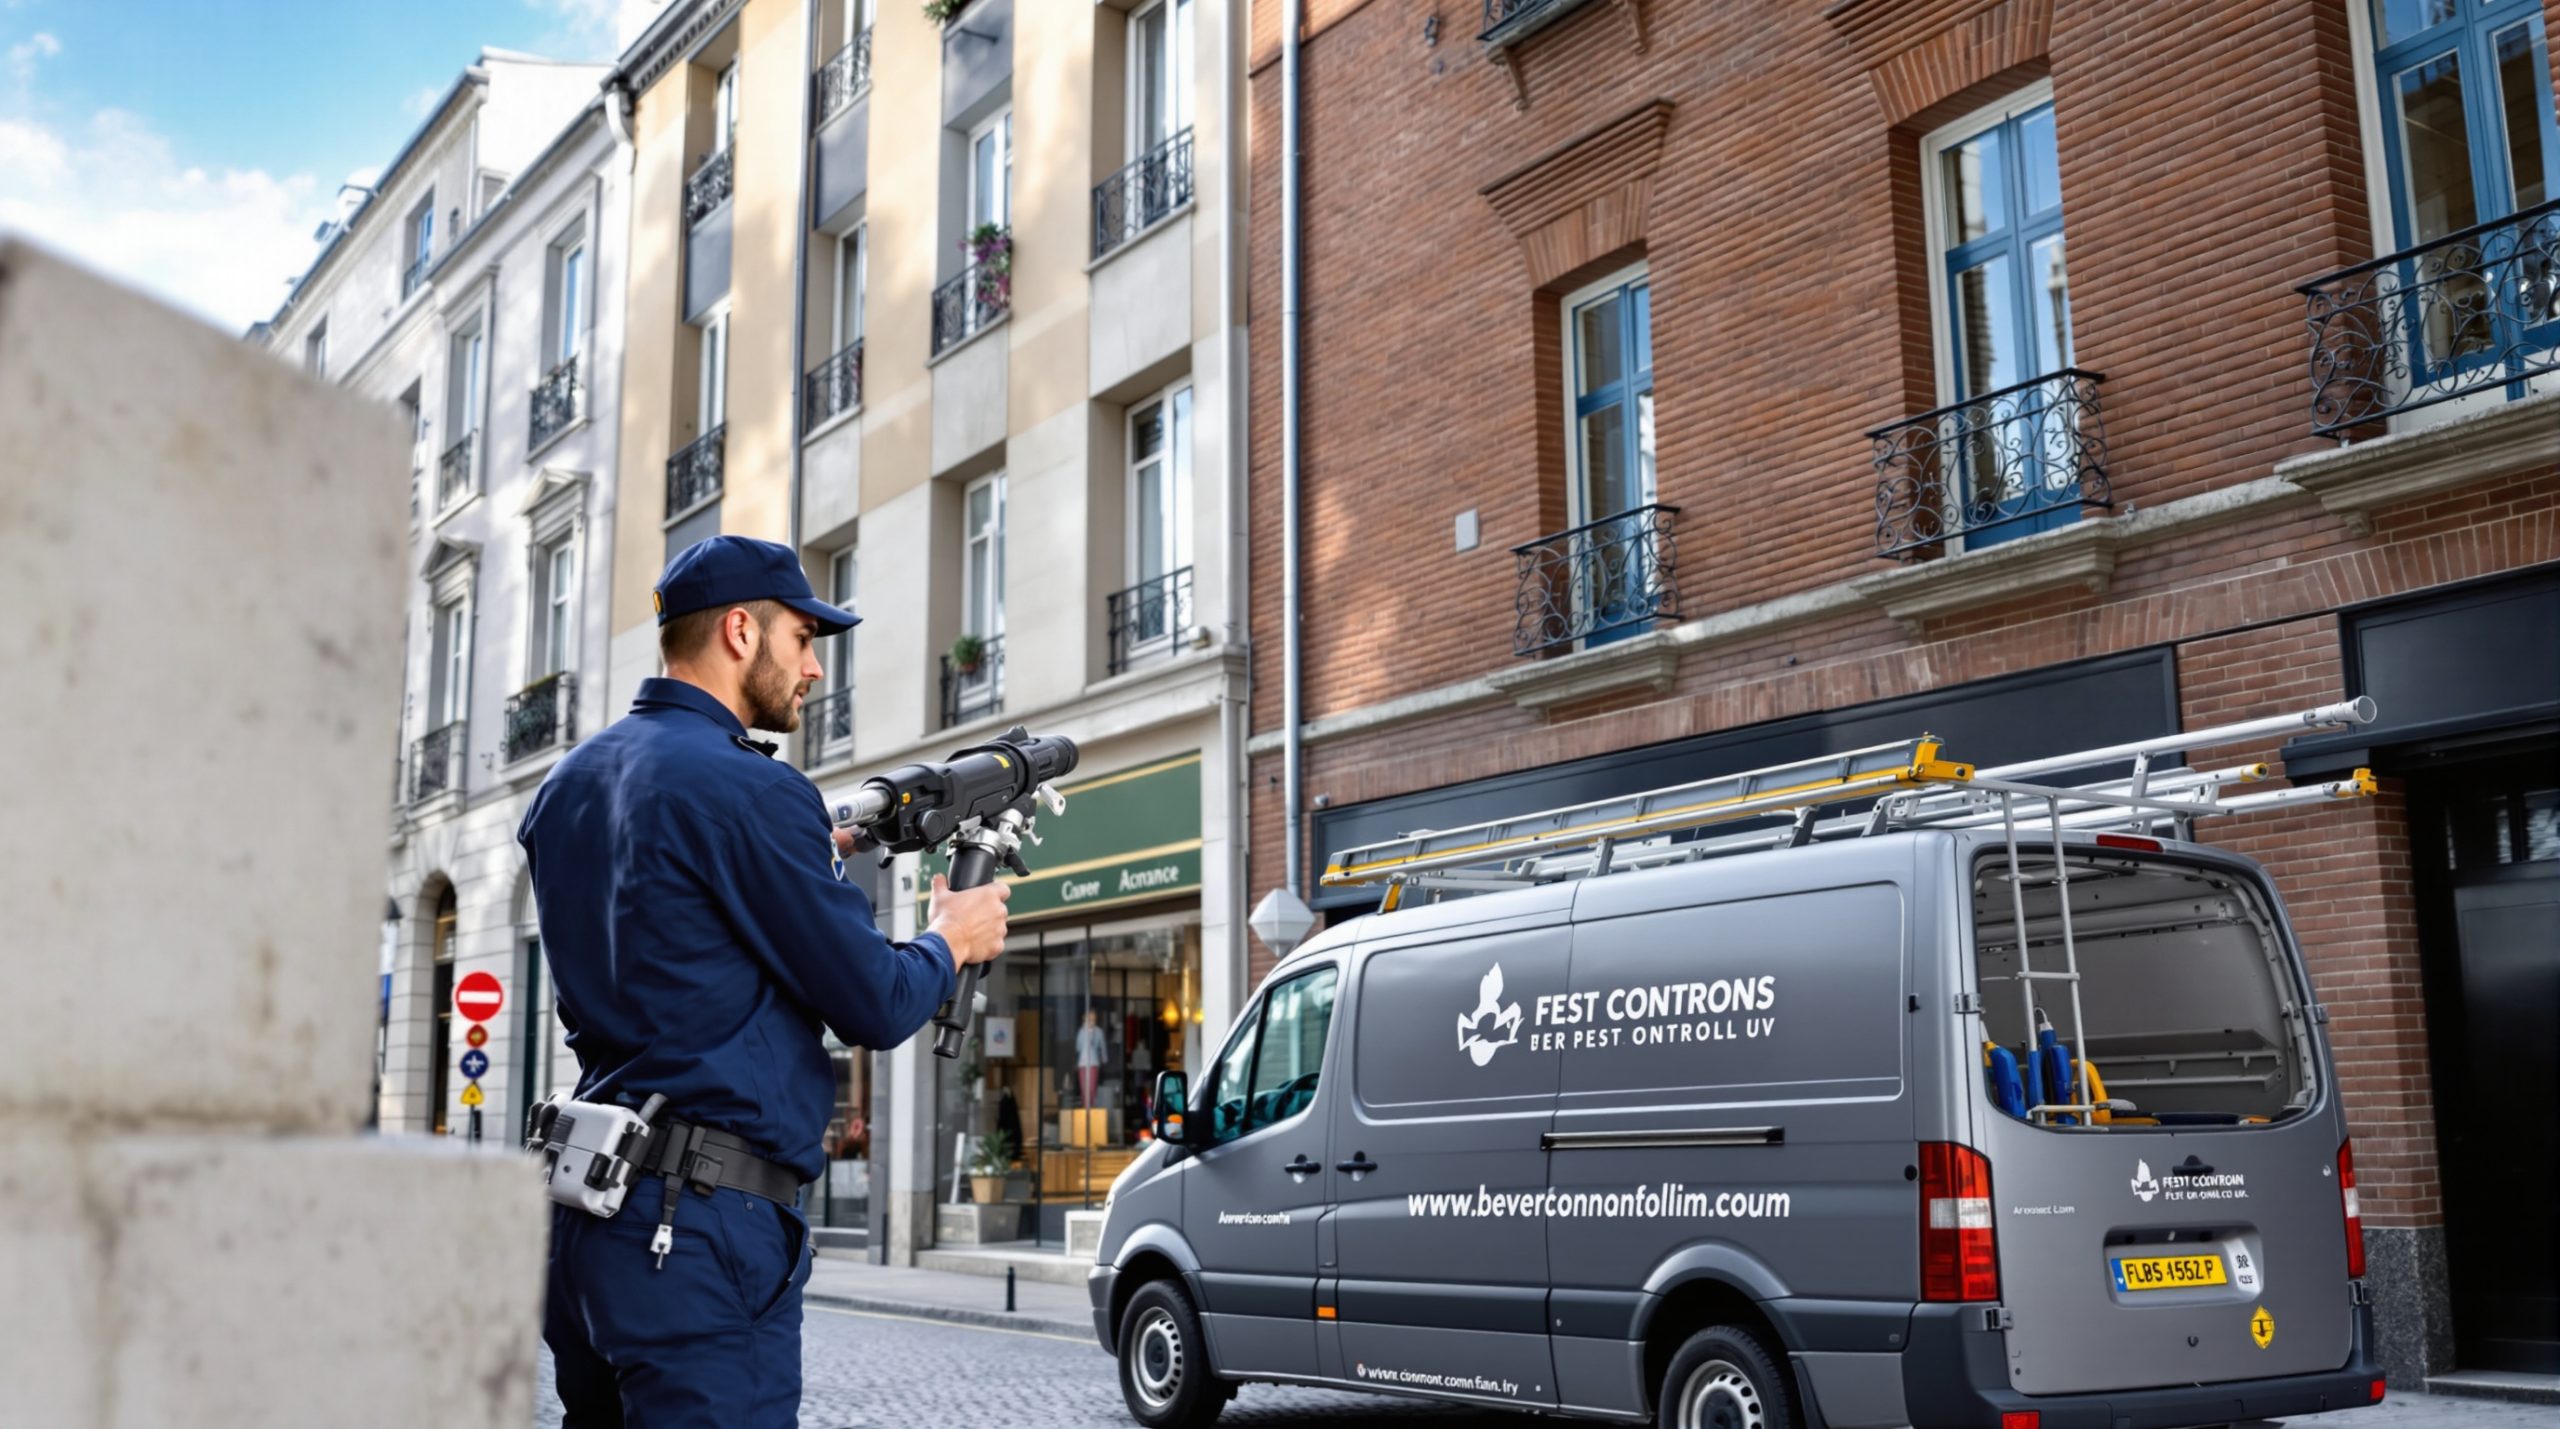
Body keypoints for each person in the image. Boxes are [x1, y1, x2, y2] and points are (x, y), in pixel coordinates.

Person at [518, 535, 1009, 1428]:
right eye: (804, 639)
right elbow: (876, 1000)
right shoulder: (752, 790)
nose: (816, 668)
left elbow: (670, 945)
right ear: (741, 631)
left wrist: (802, 853)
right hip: (699, 1232)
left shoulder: (566, 788)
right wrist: (951, 938)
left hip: (588, 1225)